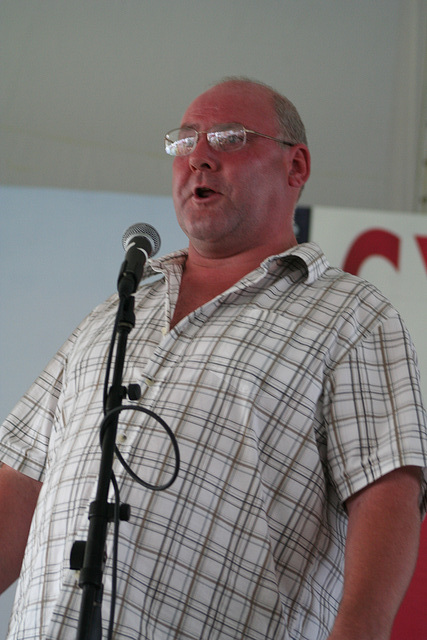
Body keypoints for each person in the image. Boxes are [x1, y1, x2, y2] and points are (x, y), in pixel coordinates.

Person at [0, 77, 426, 640]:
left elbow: (389, 488)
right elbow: (21, 479)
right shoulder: (115, 312)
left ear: (295, 166)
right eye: (185, 140)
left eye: (229, 137)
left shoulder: (349, 314)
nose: (199, 156)